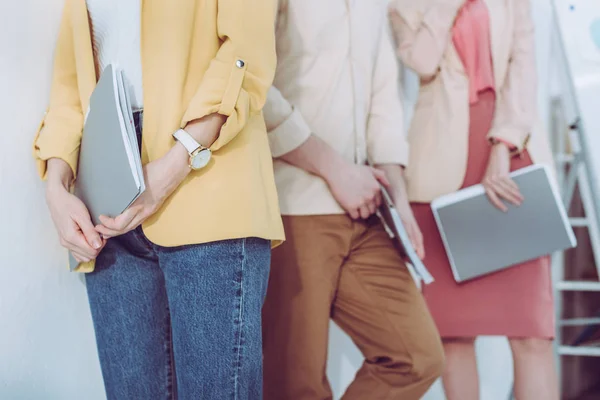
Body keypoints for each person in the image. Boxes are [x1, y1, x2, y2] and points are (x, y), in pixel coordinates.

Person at [33, 0, 284, 398]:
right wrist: (55, 186)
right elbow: (70, 85)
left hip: (207, 171)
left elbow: (245, 53)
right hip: (107, 194)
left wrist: (177, 160)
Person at [261, 1, 445, 399]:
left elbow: (383, 91)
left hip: (367, 209)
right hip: (293, 205)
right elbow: (252, 85)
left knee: (416, 358)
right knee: (295, 386)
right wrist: (334, 169)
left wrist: (398, 197)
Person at [389, 0, 558, 399]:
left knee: (532, 334)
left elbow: (523, 65)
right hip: (439, 169)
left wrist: (503, 144)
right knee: (454, 334)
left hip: (510, 153)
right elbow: (423, 61)